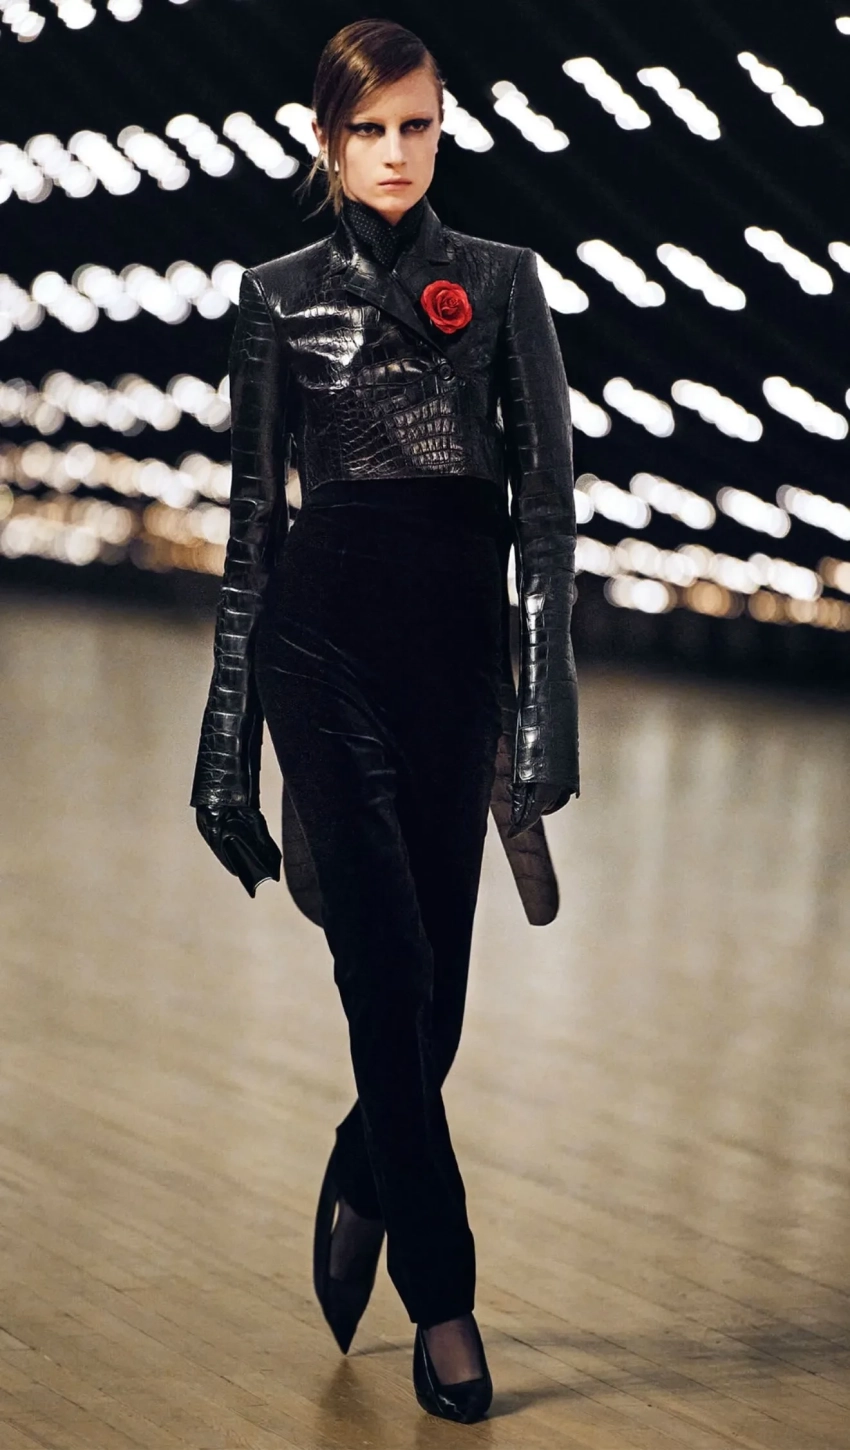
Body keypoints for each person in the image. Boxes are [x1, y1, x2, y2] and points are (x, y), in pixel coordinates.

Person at [190, 17, 580, 1426]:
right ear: (328, 140)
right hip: (322, 652)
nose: (397, 151)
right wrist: (224, 746)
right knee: (386, 970)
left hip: (454, 664)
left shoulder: (505, 284)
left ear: (442, 125)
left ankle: (368, 1165)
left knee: (437, 1004)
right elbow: (251, 532)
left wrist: (544, 716)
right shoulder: (275, 296)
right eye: (370, 129)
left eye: (416, 124)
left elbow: (545, 517)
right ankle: (446, 1299)